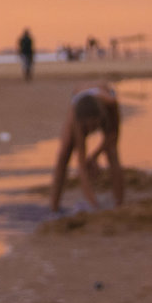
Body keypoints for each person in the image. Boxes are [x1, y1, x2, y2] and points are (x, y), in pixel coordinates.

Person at [49, 82, 125, 213]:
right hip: (78, 102)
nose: (91, 131)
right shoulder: (77, 119)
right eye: (87, 129)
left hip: (103, 97)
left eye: (94, 126)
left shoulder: (110, 104)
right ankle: (53, 207)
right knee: (64, 153)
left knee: (112, 153)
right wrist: (95, 206)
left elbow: (113, 136)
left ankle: (120, 204)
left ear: (101, 117)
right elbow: (82, 167)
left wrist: (94, 156)